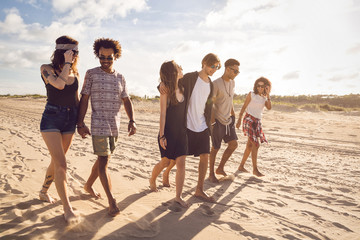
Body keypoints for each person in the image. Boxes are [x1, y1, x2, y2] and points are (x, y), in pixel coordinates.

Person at [76, 38, 137, 217]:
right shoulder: (91, 74)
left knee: (103, 159)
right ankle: (111, 201)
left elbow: (126, 100)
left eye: (109, 57)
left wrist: (132, 120)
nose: (105, 60)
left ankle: (88, 185)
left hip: (114, 126)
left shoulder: (120, 77)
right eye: (102, 57)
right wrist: (80, 123)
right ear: (98, 55)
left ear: (115, 56)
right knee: (103, 162)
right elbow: (84, 99)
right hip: (98, 125)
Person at [160, 53, 220, 202]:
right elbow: (171, 82)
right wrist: (161, 85)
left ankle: (199, 189)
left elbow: (208, 104)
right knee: (176, 160)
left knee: (205, 157)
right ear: (204, 63)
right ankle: (166, 173)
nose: (214, 69)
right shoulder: (189, 78)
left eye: (217, 67)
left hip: (202, 125)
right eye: (213, 66)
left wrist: (210, 122)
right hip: (186, 125)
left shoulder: (211, 84)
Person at [39, 35, 80, 222]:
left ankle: (43, 191)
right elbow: (59, 85)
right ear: (60, 53)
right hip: (52, 119)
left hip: (70, 120)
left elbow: (76, 99)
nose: (73, 56)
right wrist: (67, 64)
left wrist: (80, 122)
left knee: (57, 161)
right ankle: (67, 209)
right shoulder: (46, 69)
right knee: (62, 164)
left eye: (75, 53)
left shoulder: (76, 74)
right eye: (69, 53)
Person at [149, 61, 189, 207]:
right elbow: (163, 114)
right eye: (179, 67)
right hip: (168, 132)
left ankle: (178, 196)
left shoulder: (184, 87)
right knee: (166, 161)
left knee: (180, 163)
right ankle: (153, 179)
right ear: (173, 72)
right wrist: (161, 135)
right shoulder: (165, 89)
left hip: (182, 132)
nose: (182, 68)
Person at [209, 59, 240, 183]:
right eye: (235, 71)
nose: (236, 73)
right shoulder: (215, 84)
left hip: (229, 120)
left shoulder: (232, 83)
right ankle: (211, 173)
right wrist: (212, 122)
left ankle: (220, 168)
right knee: (215, 148)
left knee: (233, 144)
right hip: (217, 121)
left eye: (238, 71)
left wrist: (233, 114)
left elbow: (230, 99)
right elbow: (210, 103)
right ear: (227, 69)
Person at [236, 77, 272, 177]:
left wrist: (268, 95)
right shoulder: (251, 94)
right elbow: (243, 107)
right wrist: (239, 119)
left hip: (257, 122)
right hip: (249, 119)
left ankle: (241, 166)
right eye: (258, 86)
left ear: (266, 87)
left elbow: (269, 108)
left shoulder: (264, 98)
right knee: (256, 144)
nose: (260, 88)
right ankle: (255, 169)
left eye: (262, 86)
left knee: (249, 145)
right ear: (256, 86)